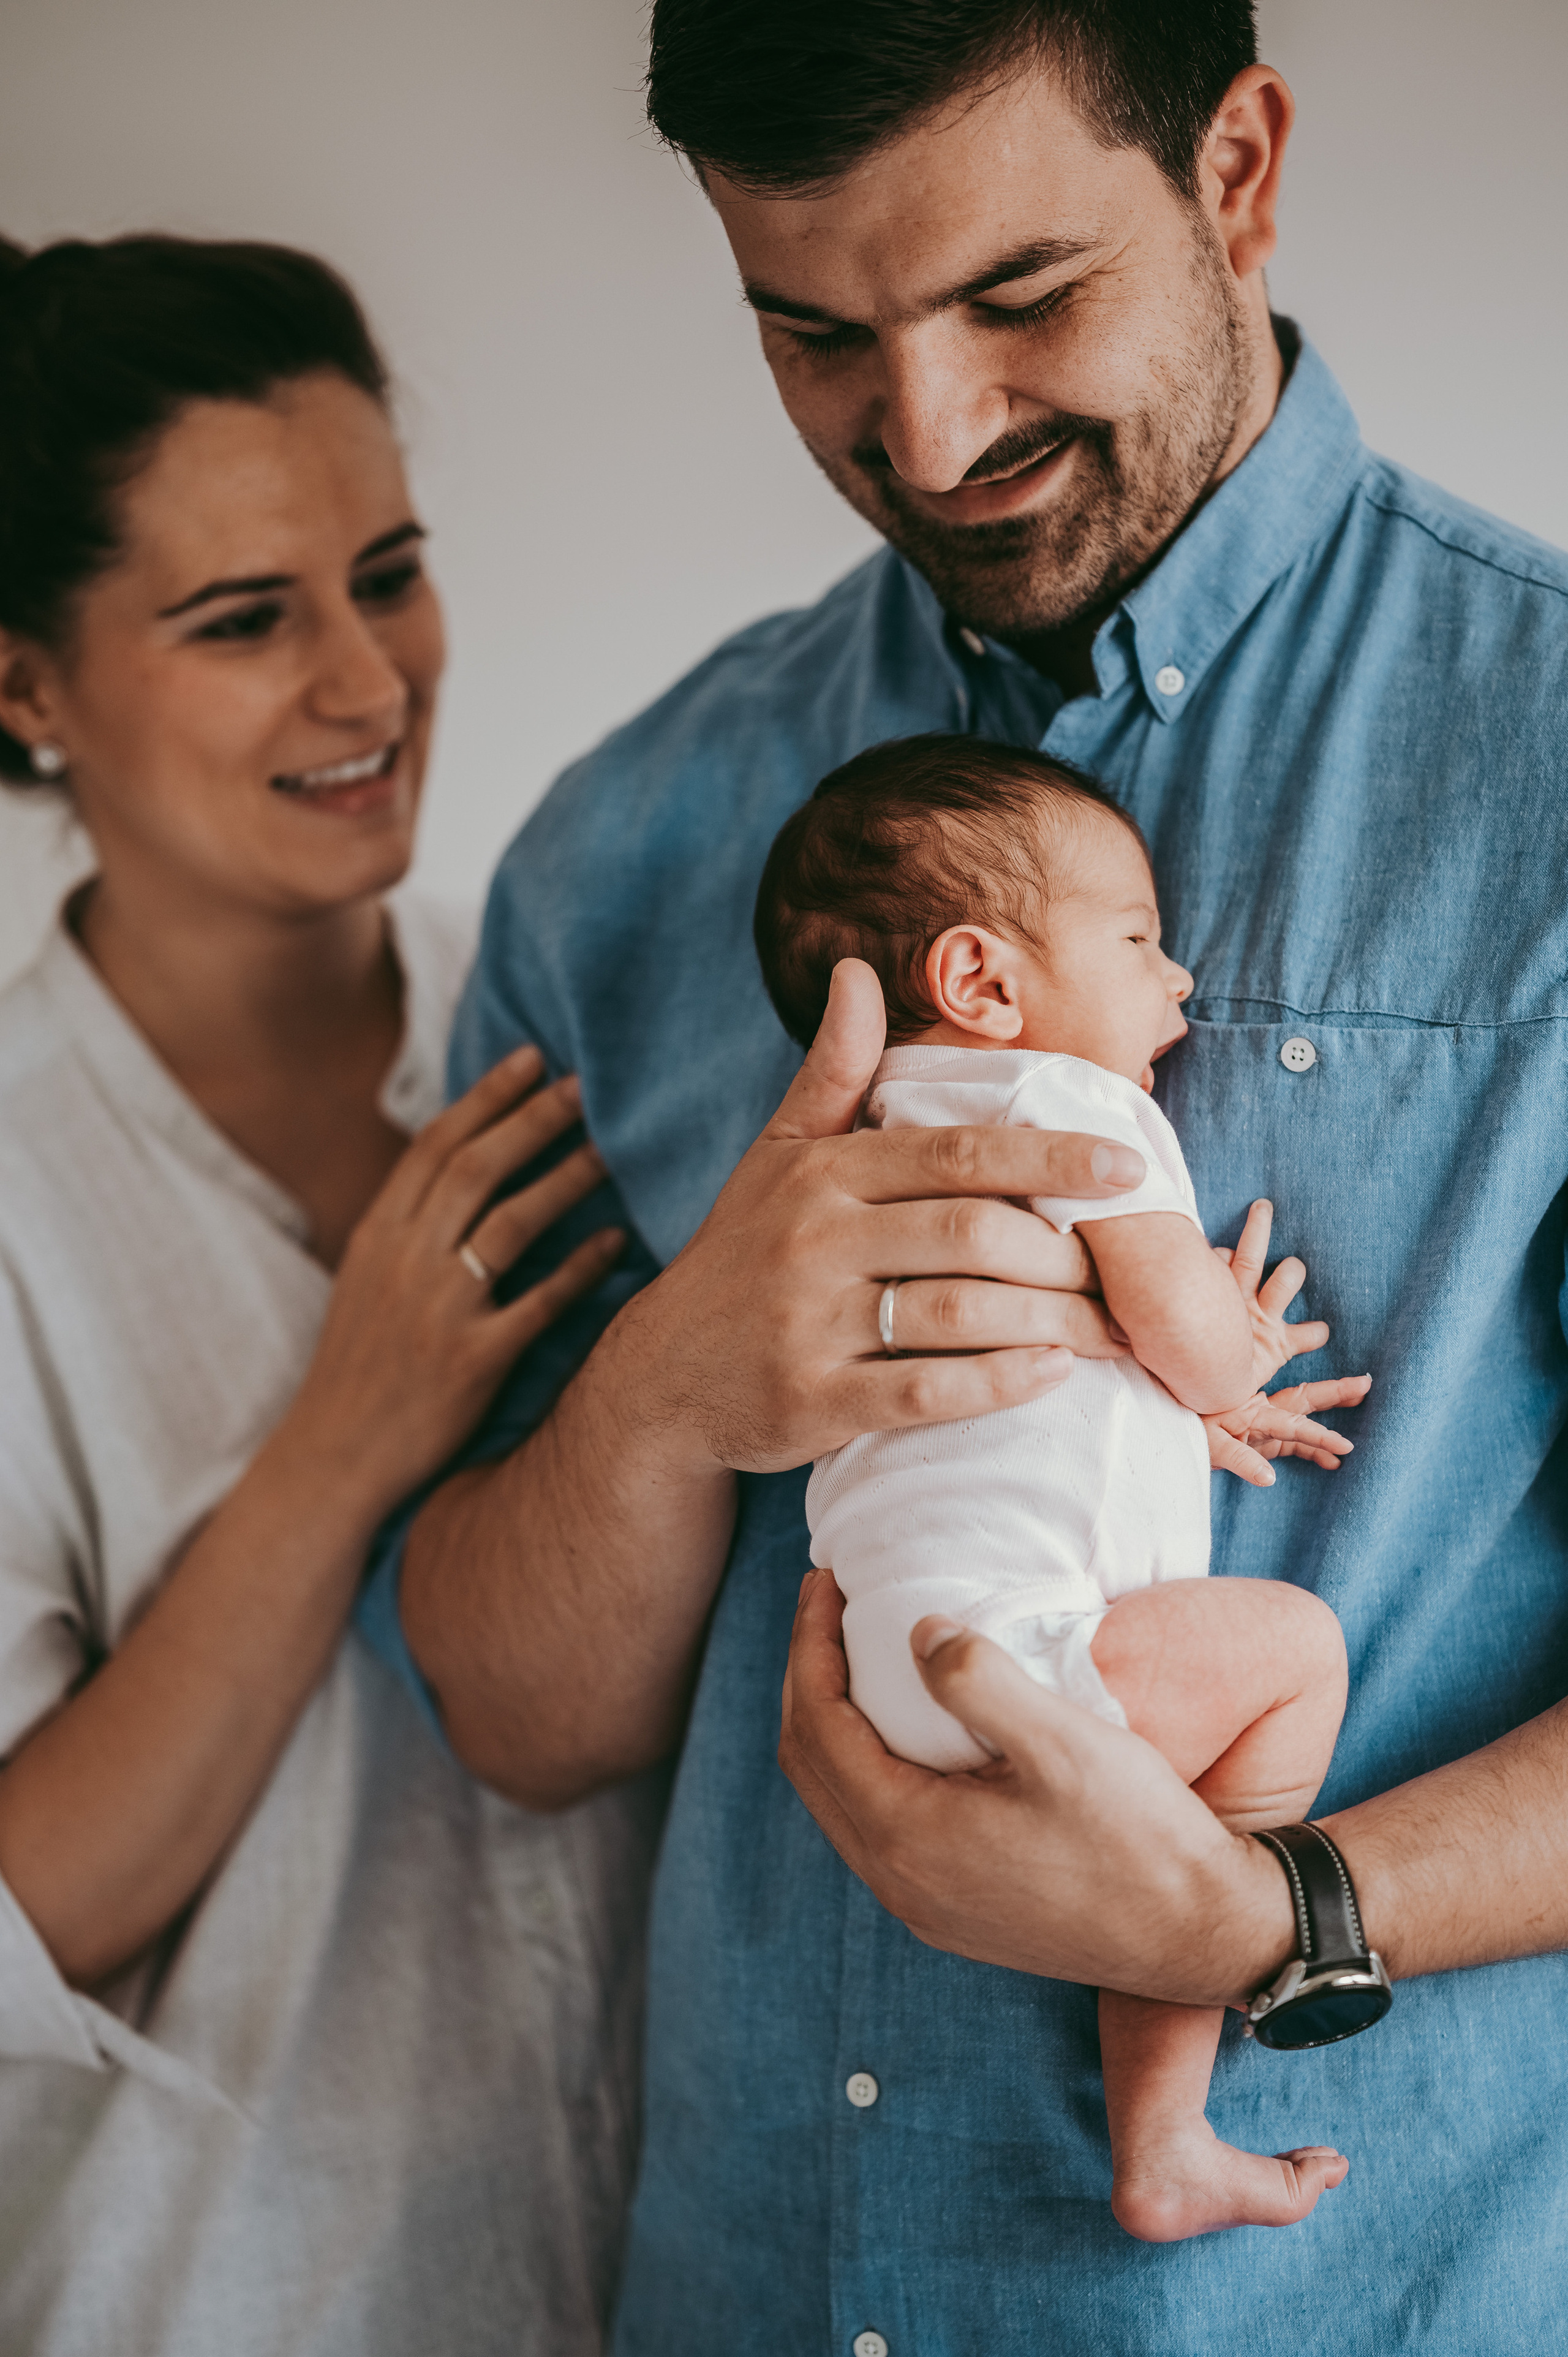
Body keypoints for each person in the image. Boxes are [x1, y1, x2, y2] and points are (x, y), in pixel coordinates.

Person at [358, 2, 1568, 2348]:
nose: (927, 431)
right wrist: (658, 1395)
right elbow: (509, 1716)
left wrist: (1283, 1910)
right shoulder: (625, 851)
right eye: (814, 330)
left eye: (1021, 296)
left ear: (1234, 171)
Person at [0, 232, 655, 2356]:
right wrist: (351, 1428)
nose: (368, 681)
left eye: (386, 571)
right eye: (243, 617)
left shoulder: (587, 1038)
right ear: (25, 682)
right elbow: (26, 1902)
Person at [756, 731, 1364, 2240]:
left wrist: (1175, 1412)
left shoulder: (871, 1133)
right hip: (1028, 1653)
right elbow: (1167, 1316)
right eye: (1138, 940)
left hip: (894, 1669)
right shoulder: (1076, 1103)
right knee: (1290, 1661)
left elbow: (1028, 1387)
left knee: (1149, 1823)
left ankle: (1165, 2149)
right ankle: (1174, 2098)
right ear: (981, 980)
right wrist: (1241, 1355)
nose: (1176, 982)